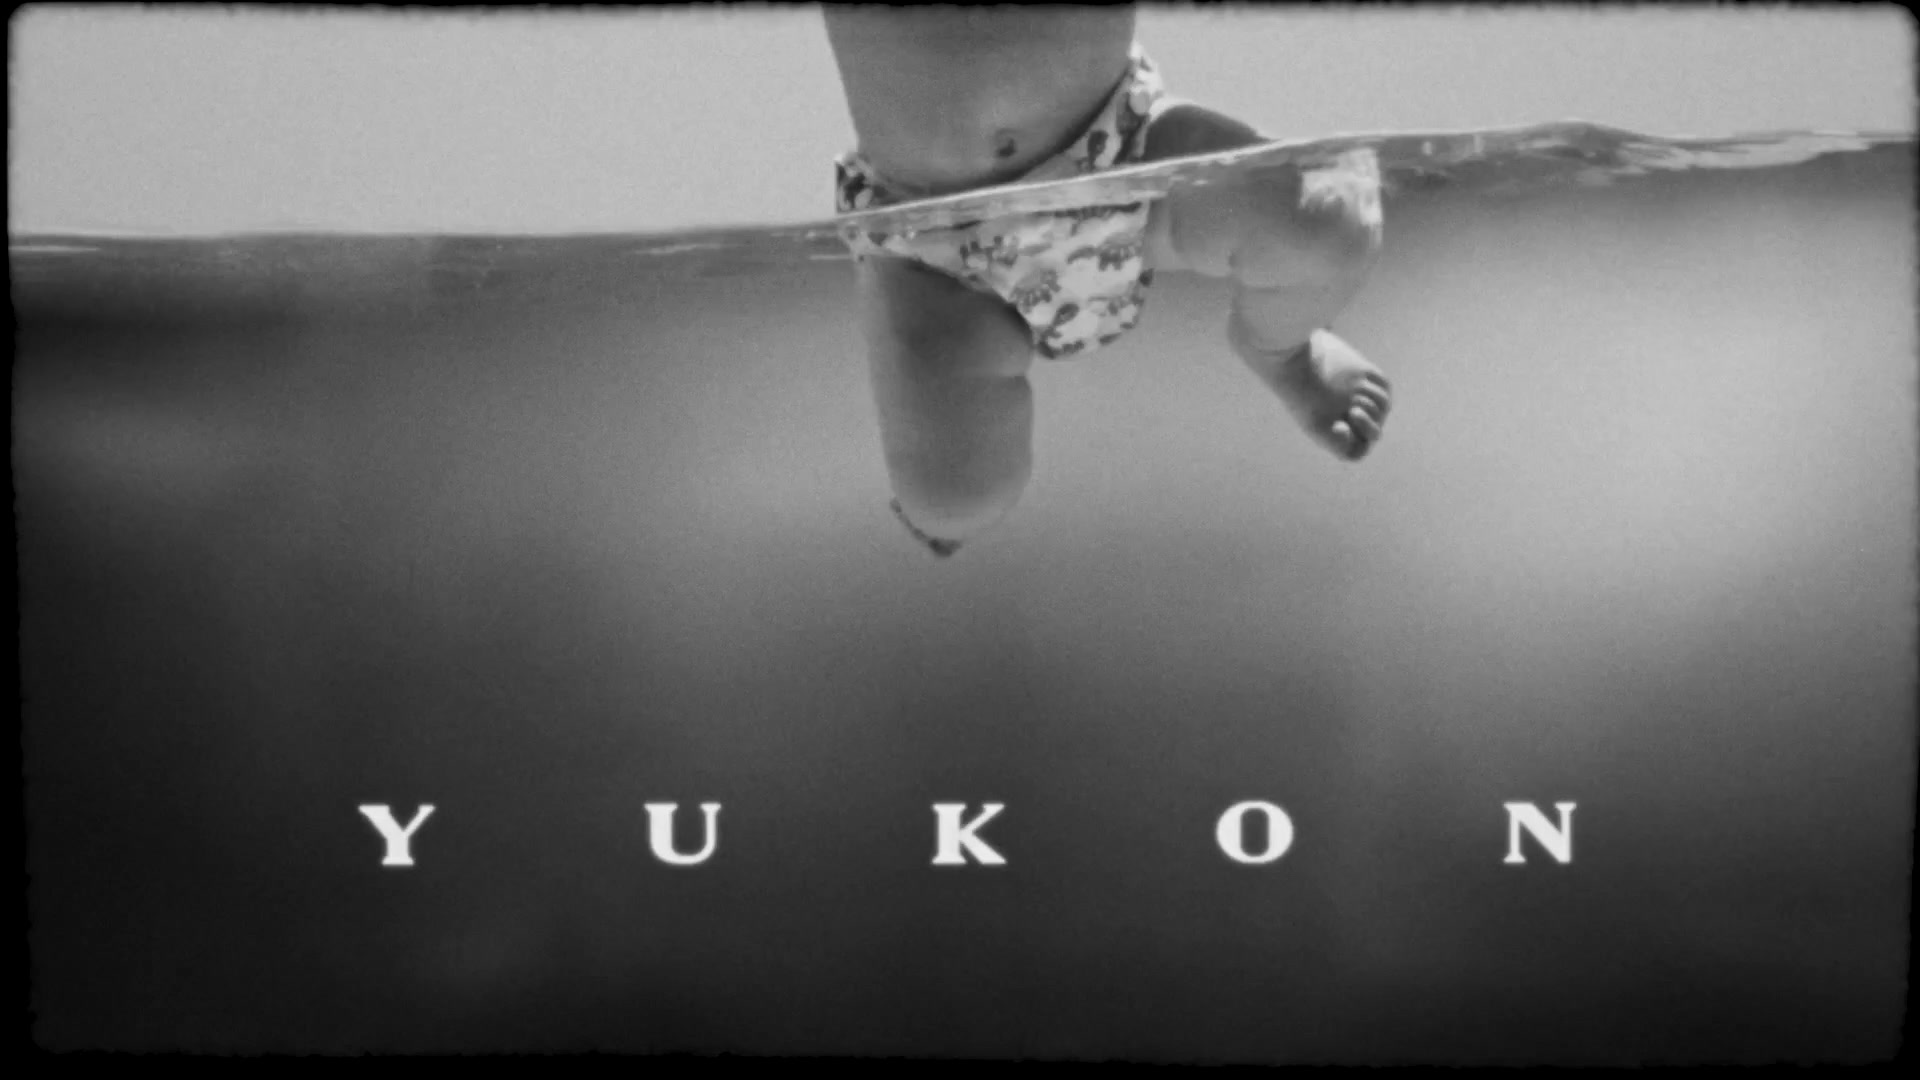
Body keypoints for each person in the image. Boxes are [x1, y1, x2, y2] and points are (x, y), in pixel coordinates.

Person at [826, 7, 1391, 557]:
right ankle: (890, 302)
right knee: (952, 500)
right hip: (932, 238)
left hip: (1119, 155)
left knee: (1326, 223)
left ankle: (1280, 348)